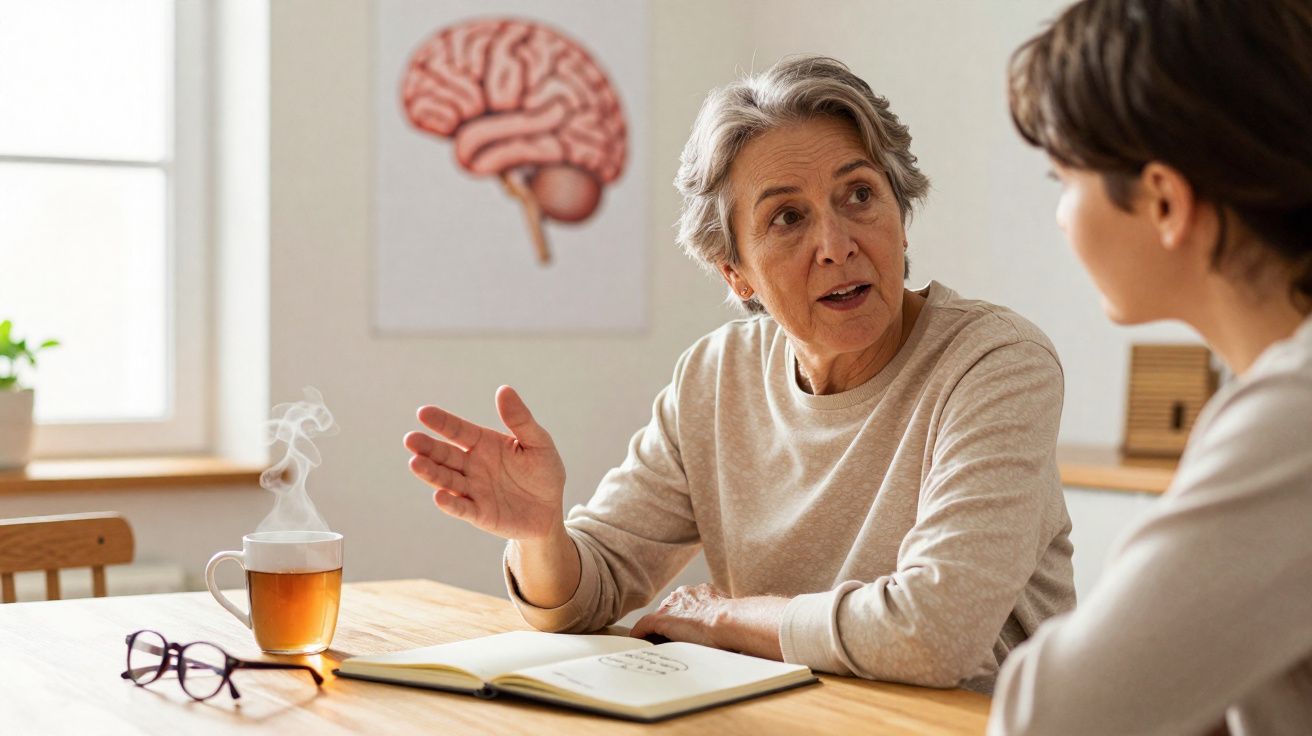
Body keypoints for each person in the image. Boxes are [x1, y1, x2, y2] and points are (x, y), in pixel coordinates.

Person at [404, 55, 1075, 692]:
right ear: (735, 272)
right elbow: (589, 590)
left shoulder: (996, 363)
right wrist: (540, 535)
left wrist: (726, 618)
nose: (837, 245)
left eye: (860, 195)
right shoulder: (715, 378)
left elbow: (935, 633)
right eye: (787, 217)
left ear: (902, 220)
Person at [990, 1, 1312, 733]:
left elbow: (1053, 717)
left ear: (1165, 200)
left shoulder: (1293, 416)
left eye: (1062, 181)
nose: (1062, 216)